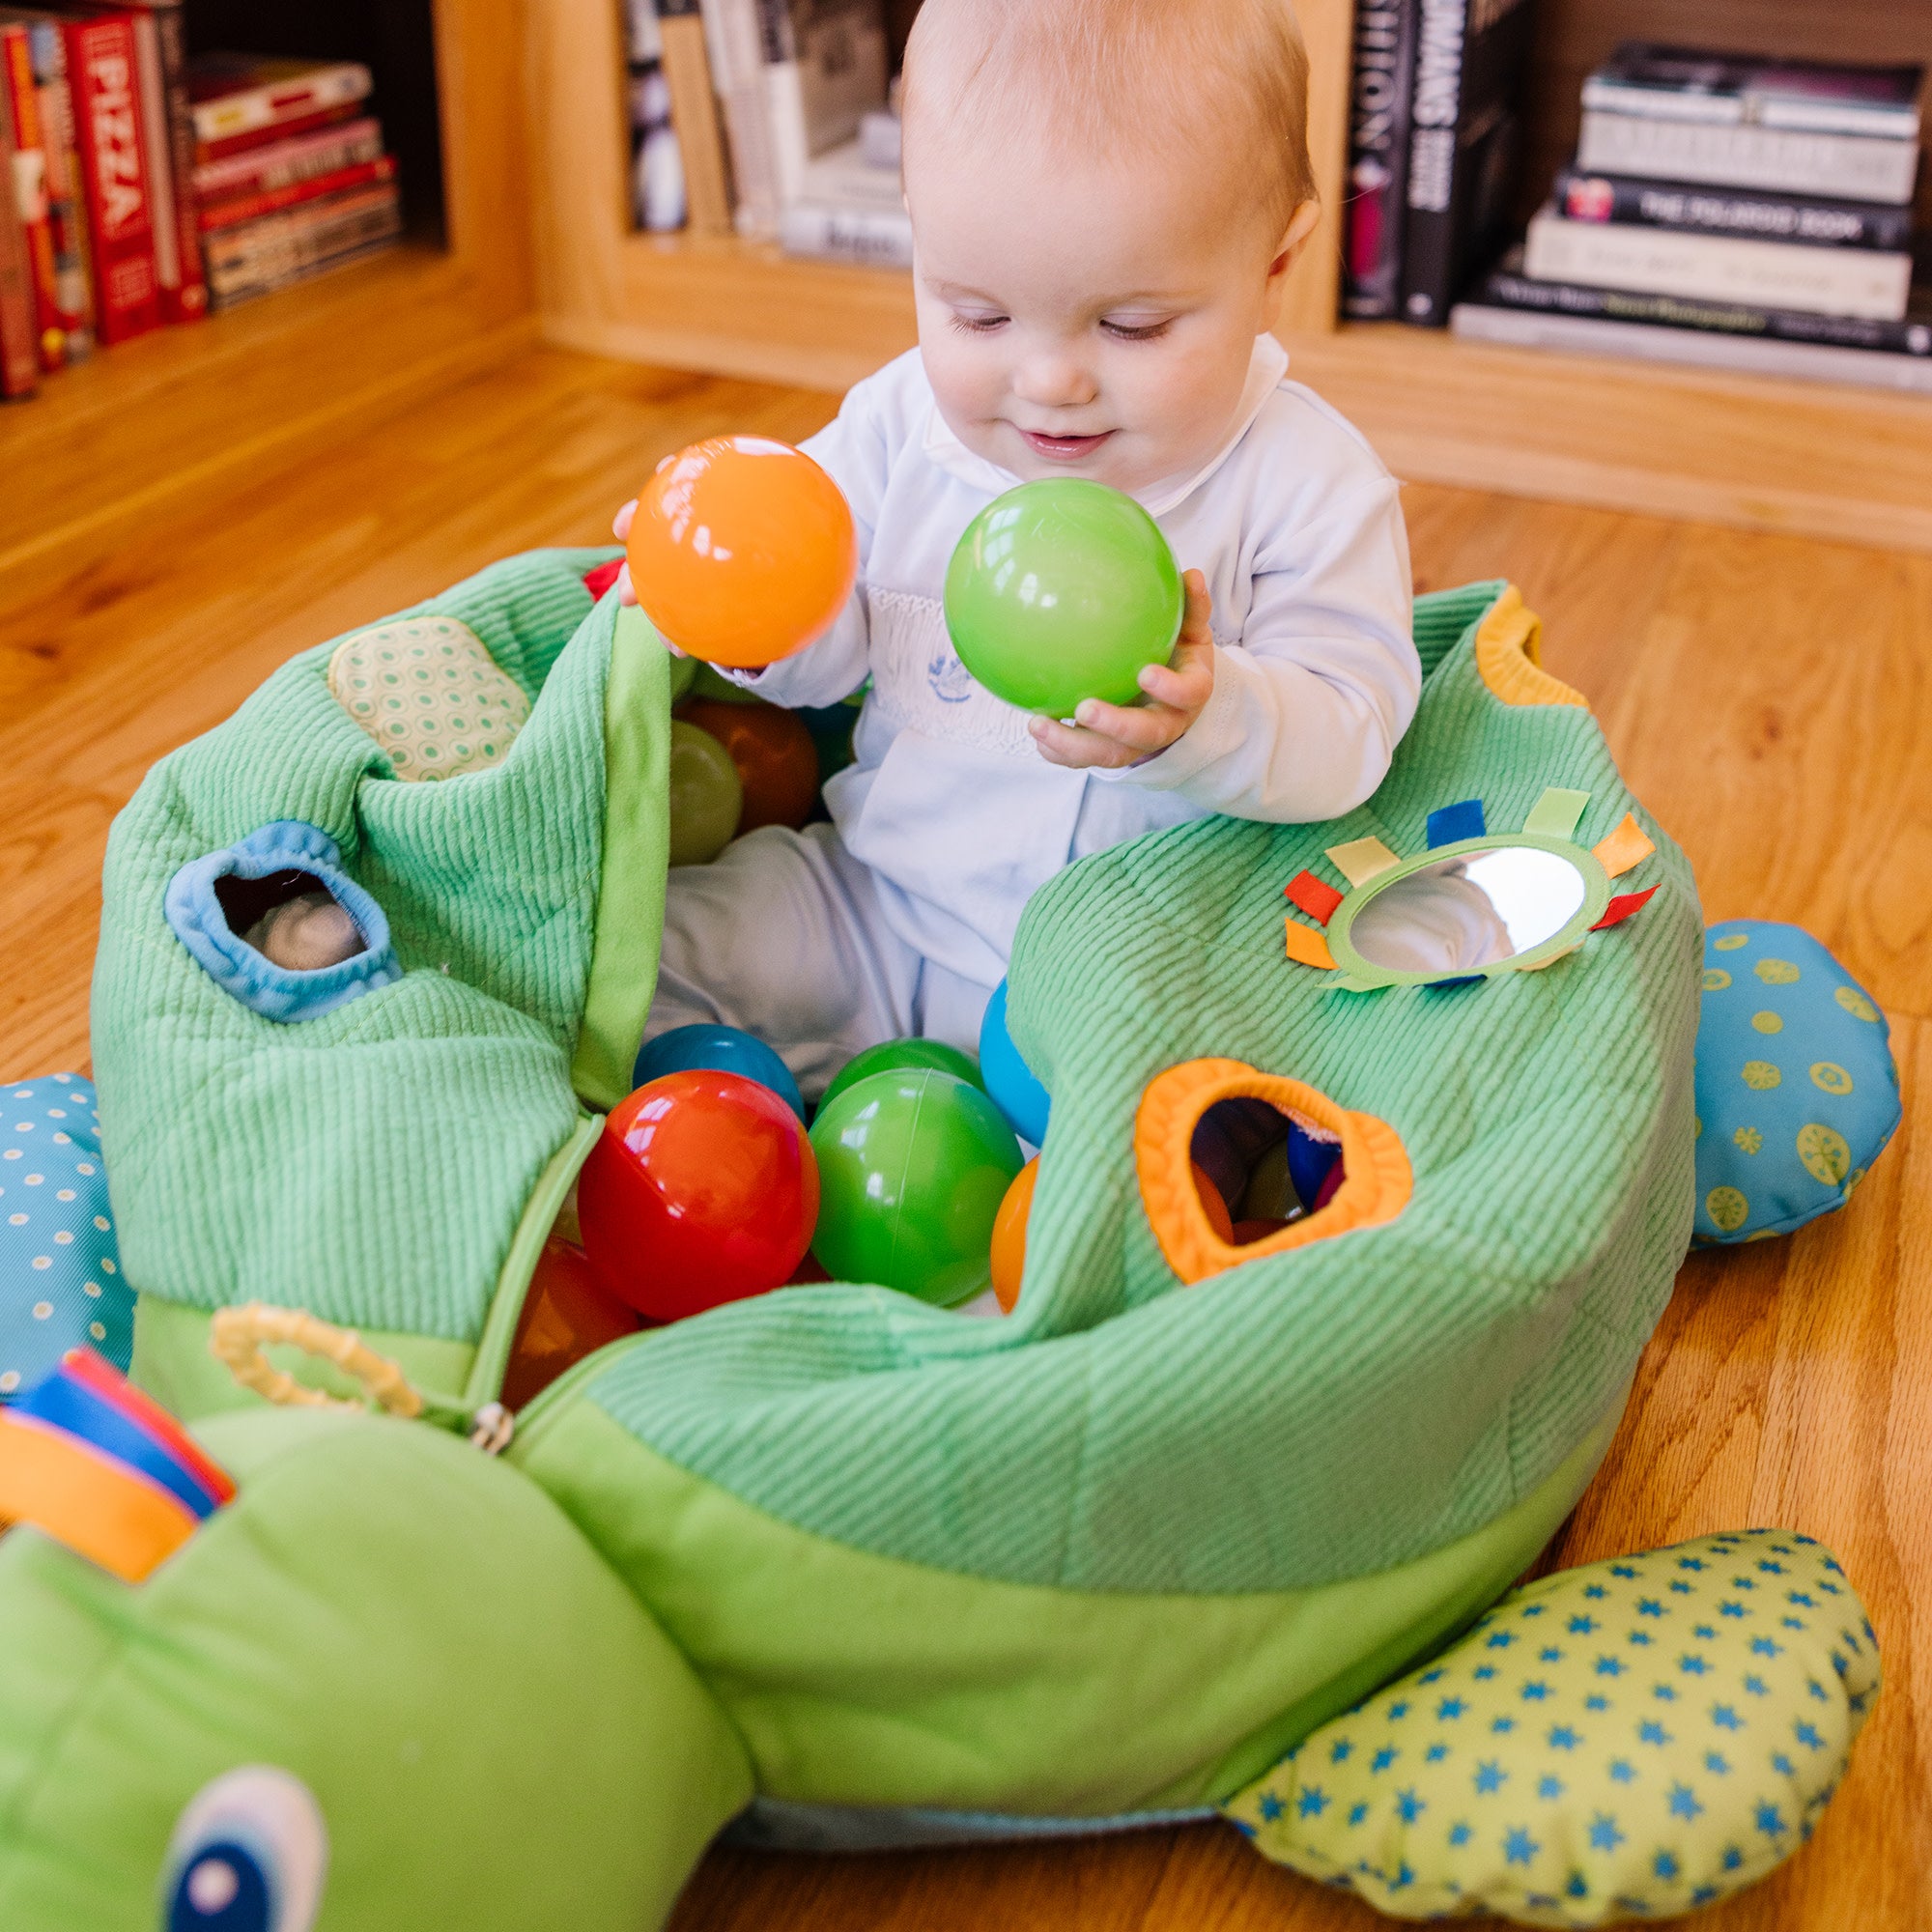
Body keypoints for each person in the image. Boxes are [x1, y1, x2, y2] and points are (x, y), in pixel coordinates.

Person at [617, 0, 1419, 1097]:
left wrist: (1214, 712)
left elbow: (1355, 726)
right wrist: (740, 599)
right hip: (879, 902)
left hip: (1141, 974)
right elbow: (828, 655)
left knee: (1220, 1106)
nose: (1048, 381)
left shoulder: (1307, 484)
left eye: (1131, 326)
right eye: (976, 315)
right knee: (636, 956)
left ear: (1275, 260)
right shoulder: (898, 427)